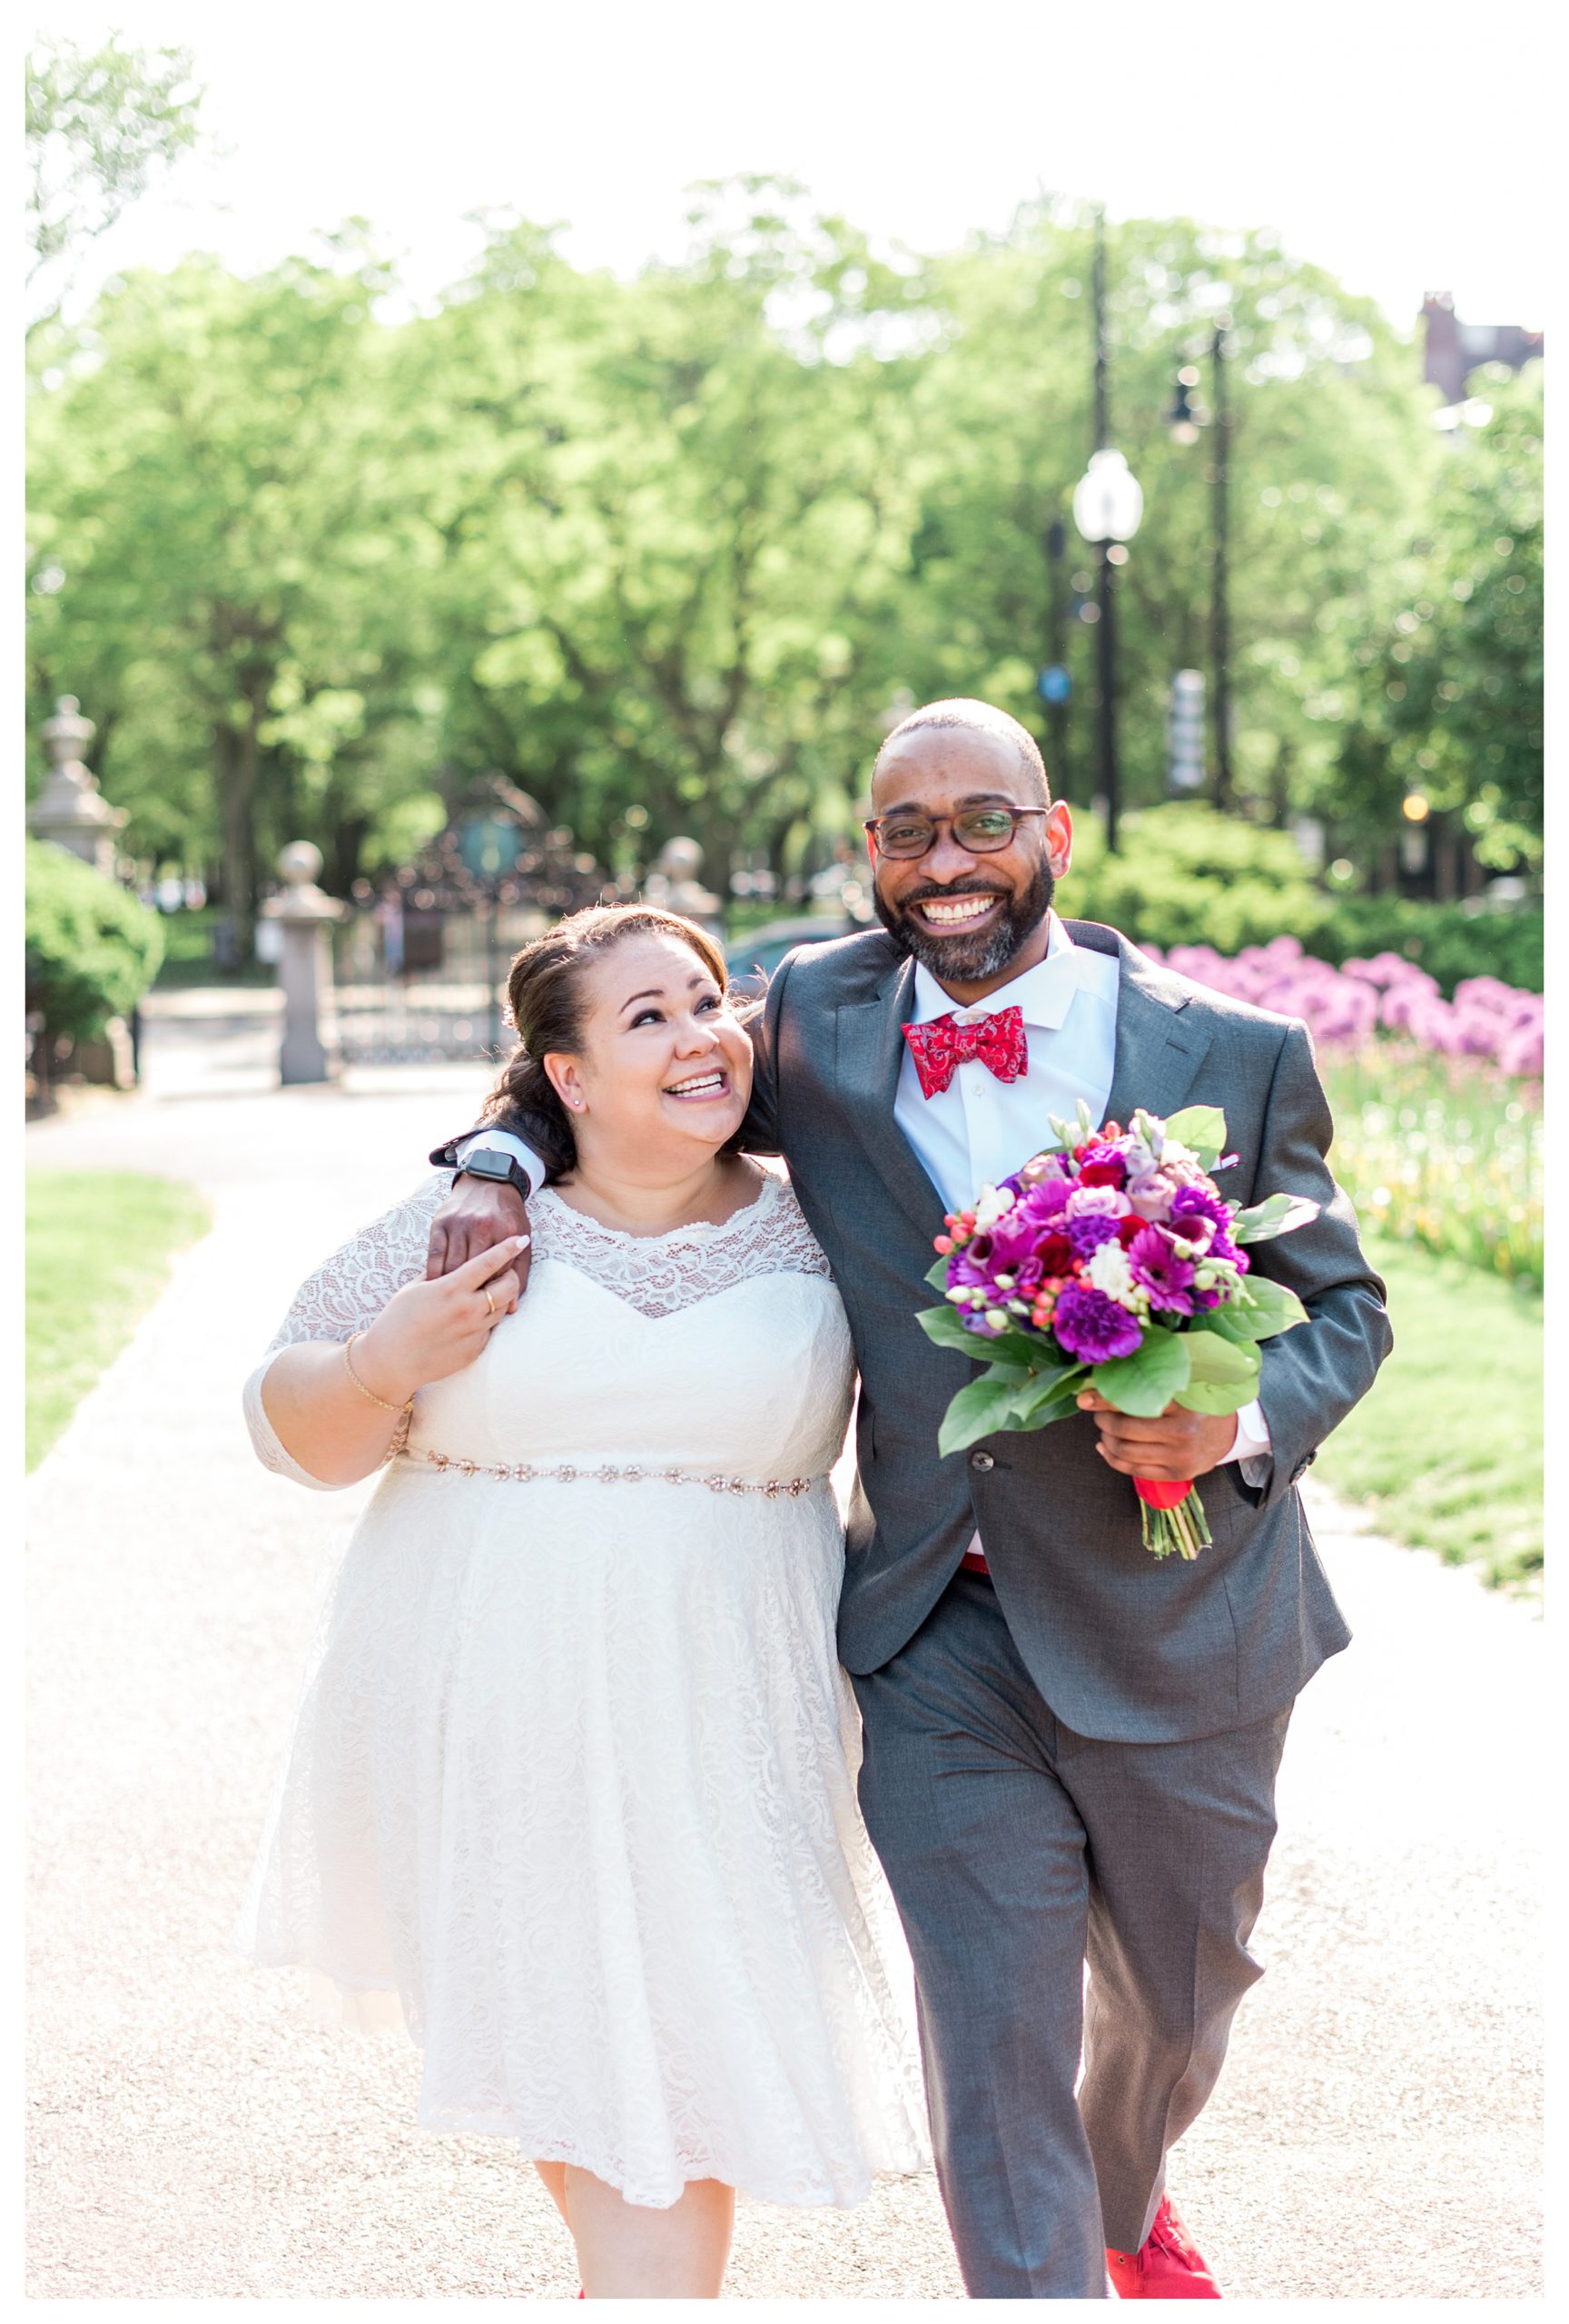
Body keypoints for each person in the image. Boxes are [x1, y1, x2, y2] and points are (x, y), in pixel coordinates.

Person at [432, 698, 1393, 2299]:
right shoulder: (812, 1013)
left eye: (981, 824)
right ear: (867, 850)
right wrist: (490, 1163)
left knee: (1180, 1995)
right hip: (934, 1628)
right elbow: (605, 1062)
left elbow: (1343, 1306)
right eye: (905, 830)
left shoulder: (1231, 1048)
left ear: (1054, 834)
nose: (944, 863)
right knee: (990, 2034)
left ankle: (1122, 2191)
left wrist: (1235, 1424)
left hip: (1188, 1614)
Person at [235, 905, 929, 2300]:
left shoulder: (829, 1229)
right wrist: (383, 1361)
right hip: (496, 1707)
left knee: (683, 2076)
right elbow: (286, 1431)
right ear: (566, 1076)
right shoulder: (468, 1229)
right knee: (595, 2076)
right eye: (648, 1018)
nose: (700, 1038)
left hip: (734, 1715)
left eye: (709, 1001)